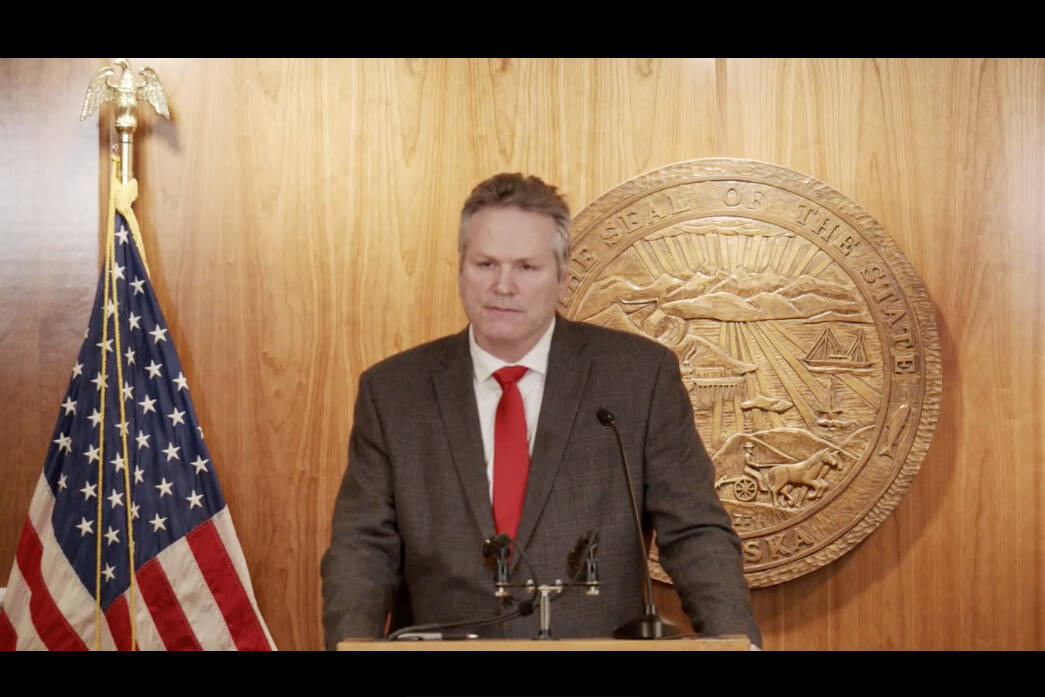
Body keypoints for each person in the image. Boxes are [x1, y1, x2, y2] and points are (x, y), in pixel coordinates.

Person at [321, 173, 761, 649]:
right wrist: (353, 645)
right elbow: (362, 547)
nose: (503, 286)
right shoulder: (394, 391)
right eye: (486, 263)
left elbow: (694, 530)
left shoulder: (639, 378)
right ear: (460, 271)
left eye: (526, 267)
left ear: (562, 279)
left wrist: (737, 642)